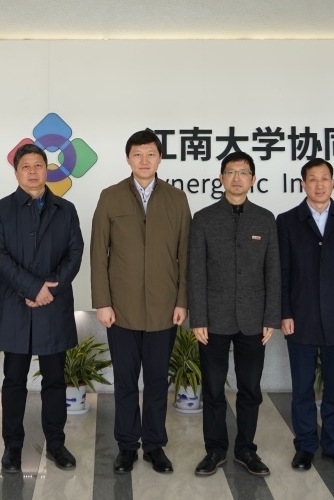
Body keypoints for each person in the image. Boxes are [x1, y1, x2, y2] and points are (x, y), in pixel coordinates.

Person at [90, 128, 191, 474]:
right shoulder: (110, 197)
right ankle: (126, 446)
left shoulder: (177, 199)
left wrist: (182, 301)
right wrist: (103, 302)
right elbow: (98, 253)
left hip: (164, 308)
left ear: (160, 158)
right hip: (121, 310)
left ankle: (155, 446)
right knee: (125, 381)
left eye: (150, 154)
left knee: (158, 381)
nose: (144, 160)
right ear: (128, 158)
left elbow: (185, 254)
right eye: (137, 154)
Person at [0, 144, 84, 473]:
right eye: (25, 166)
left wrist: (49, 288)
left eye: (38, 165)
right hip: (15, 307)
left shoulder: (66, 209)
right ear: (16, 172)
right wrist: (32, 288)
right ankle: (12, 446)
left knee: (54, 380)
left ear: (47, 169)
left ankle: (56, 443)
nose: (32, 171)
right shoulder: (0, 209)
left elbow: (75, 252)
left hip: (53, 306)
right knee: (14, 380)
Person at [187, 151, 280, 477]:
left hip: (254, 320)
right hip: (213, 319)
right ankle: (215, 450)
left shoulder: (265, 219)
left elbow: (273, 271)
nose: (237, 178)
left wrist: (271, 317)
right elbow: (196, 271)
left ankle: (246, 449)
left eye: (243, 172)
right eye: (230, 172)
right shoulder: (204, 218)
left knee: (250, 390)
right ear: (221, 178)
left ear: (253, 179)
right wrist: (198, 317)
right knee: (213, 389)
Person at [276, 158, 334, 472]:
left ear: (333, 183)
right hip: (300, 317)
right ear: (303, 184)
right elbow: (282, 273)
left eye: (324, 178)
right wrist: (284, 312)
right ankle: (305, 445)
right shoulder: (287, 221)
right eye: (312, 179)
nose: (319, 184)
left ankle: (332, 445)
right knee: (302, 387)